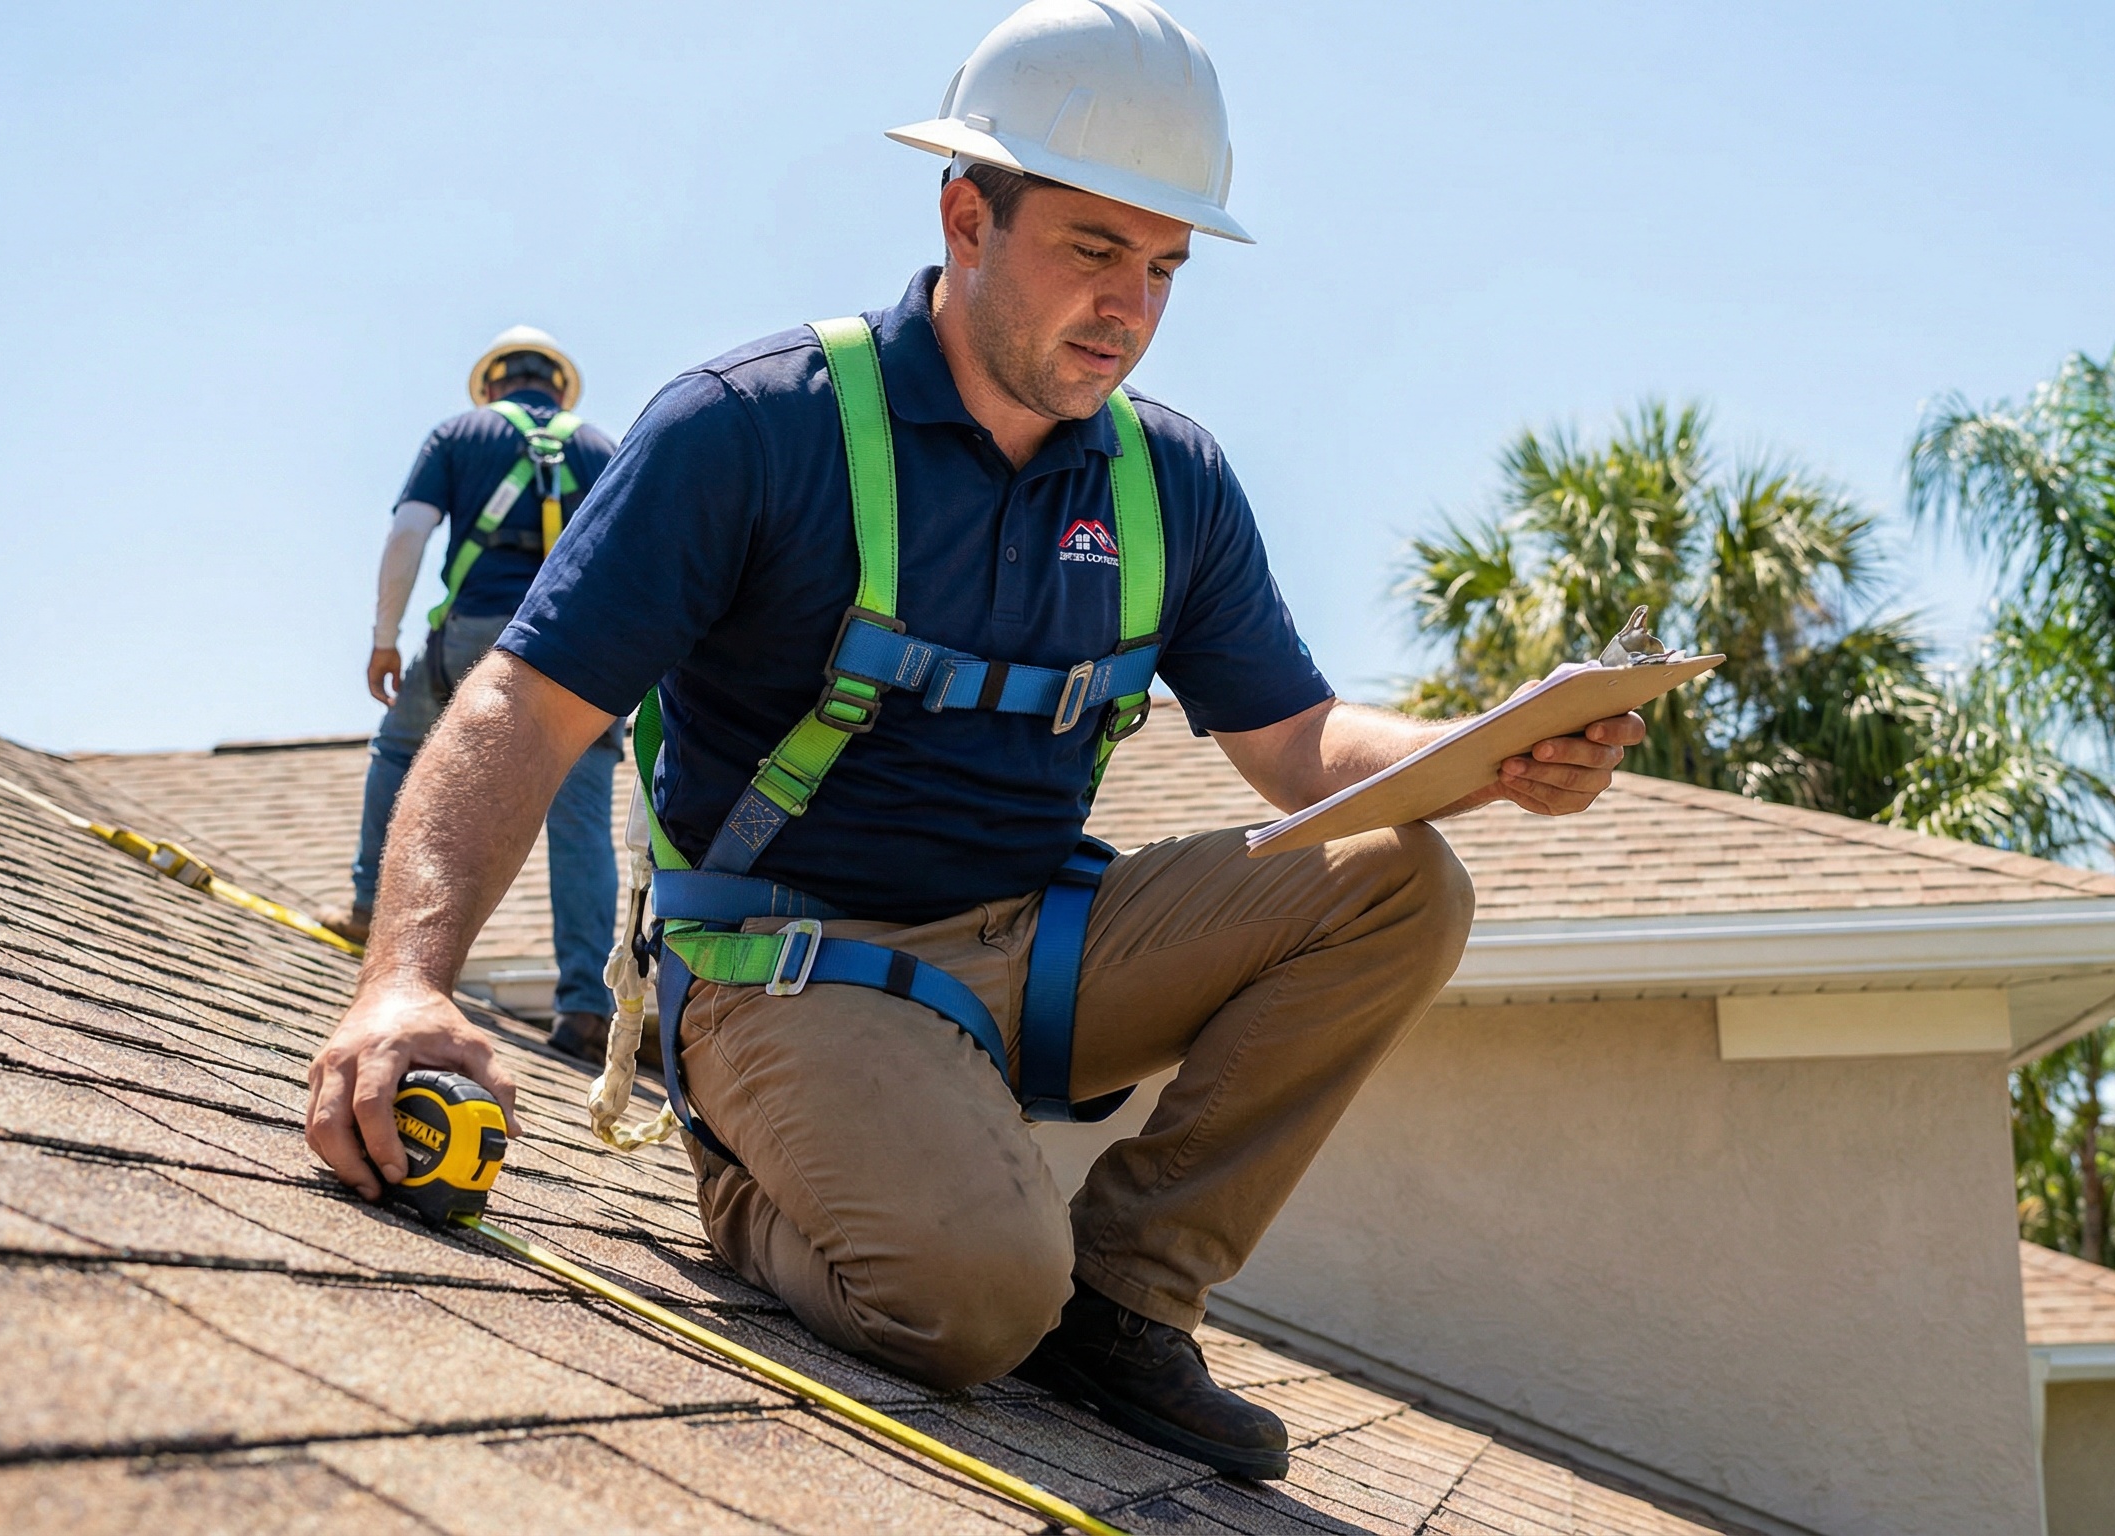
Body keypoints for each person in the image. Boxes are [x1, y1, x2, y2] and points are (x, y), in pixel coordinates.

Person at [305, 0, 1644, 1481]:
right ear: (966, 215)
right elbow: (520, 707)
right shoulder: (753, 432)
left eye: (1165, 267)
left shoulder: (1171, 482)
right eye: (1093, 249)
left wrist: (1490, 748)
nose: (1131, 307)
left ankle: (1124, 1299)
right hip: (789, 970)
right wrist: (403, 988)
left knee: (1404, 873)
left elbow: (1298, 741)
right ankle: (760, 1190)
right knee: (973, 1305)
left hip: (1035, 951)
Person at [331, 328, 627, 1064]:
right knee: (581, 816)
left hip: (478, 637)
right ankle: (587, 1002)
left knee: (402, 750)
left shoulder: (459, 432)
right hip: (587, 646)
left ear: (492, 384)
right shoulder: (604, 448)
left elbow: (410, 532)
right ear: (559, 388)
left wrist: (385, 635)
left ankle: (370, 909)